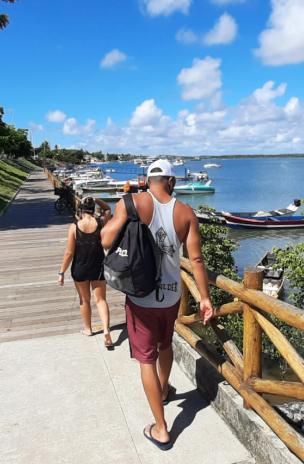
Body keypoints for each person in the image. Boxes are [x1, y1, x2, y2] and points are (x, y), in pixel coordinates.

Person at [101, 160, 213, 451]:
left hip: (140, 296)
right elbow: (197, 260)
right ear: (172, 182)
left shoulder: (132, 202)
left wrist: (108, 218)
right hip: (172, 296)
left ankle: (161, 429)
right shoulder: (186, 212)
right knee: (165, 344)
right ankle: (164, 390)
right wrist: (205, 298)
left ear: (148, 180)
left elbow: (105, 240)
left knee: (146, 359)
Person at [59, 196, 114, 348]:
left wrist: (61, 272)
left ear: (81, 210)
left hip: (80, 268)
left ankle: (89, 329)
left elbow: (69, 253)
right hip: (98, 267)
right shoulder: (102, 222)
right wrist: (96, 199)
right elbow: (108, 209)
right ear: (92, 209)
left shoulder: (74, 227)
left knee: (84, 300)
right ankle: (106, 330)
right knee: (101, 299)